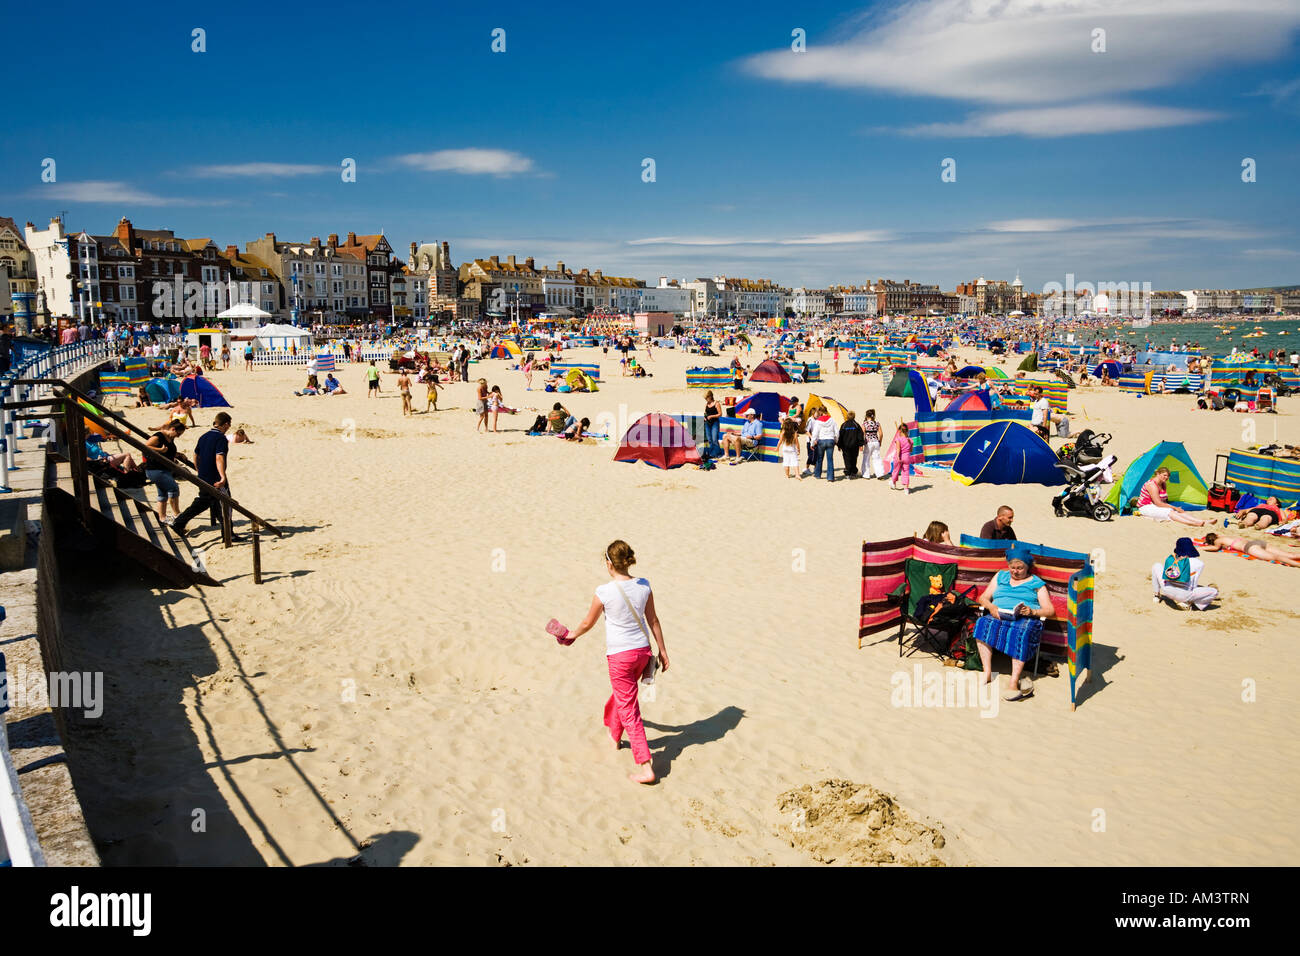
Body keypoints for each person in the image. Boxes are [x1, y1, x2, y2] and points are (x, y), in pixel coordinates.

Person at [561, 540, 668, 784]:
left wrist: (572, 635)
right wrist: (663, 651)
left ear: (609, 564)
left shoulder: (604, 592)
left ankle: (645, 765)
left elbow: (588, 622)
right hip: (642, 652)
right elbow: (653, 620)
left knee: (629, 707)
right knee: (624, 696)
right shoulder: (644, 585)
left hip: (620, 656)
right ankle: (614, 736)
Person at [974, 547, 1054, 702]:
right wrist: (991, 607)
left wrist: (1033, 612)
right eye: (1012, 568)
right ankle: (987, 671)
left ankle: (1013, 681)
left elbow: (1049, 610)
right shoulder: (1001, 576)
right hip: (999, 615)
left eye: (1020, 568)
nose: (1015, 571)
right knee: (982, 623)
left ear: (1027, 567)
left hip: (1024, 618)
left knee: (1021, 632)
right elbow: (983, 598)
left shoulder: (1036, 583)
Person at [173, 413, 235, 539]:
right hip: (215, 477)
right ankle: (228, 534)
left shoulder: (204, 436)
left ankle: (227, 532)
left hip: (204, 475)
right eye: (229, 424)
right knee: (225, 503)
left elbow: (196, 455)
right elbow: (219, 457)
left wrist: (198, 469)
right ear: (226, 424)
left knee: (208, 501)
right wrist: (222, 477)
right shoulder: (221, 438)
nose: (229, 427)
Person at [1152, 538, 1219, 610]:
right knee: (1214, 591)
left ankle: (1156, 596)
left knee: (1157, 566)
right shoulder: (1199, 563)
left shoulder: (1173, 559)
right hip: (1184, 595)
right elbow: (1193, 584)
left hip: (1166, 590)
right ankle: (1190, 603)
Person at [144, 421, 186, 524]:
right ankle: (177, 515)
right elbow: (145, 446)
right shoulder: (158, 436)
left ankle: (162, 518)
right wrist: (159, 450)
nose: (179, 436)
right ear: (172, 429)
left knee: (162, 494)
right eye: (178, 433)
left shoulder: (170, 438)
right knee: (173, 488)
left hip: (164, 469)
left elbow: (168, 451)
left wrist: (177, 454)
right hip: (155, 469)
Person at [1136, 466, 1208, 526]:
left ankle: (1202, 521)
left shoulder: (1163, 483)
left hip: (1155, 506)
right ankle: (1192, 523)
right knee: (1170, 511)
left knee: (1177, 511)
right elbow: (1158, 503)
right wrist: (1175, 507)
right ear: (1158, 474)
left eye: (1168, 476)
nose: (1166, 477)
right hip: (1146, 507)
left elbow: (1162, 501)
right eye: (1164, 475)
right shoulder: (1152, 485)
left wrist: (1175, 508)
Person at [1202, 532, 1300, 567]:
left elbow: (1215, 548)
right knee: (1289, 554)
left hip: (1250, 548)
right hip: (1257, 542)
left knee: (1277, 557)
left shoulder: (1218, 541)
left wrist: (1203, 547)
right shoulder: (1226, 536)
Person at [806, 406, 837, 481]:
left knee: (819, 459)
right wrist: (836, 440)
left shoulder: (818, 421)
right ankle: (830, 477)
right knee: (830, 459)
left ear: (821, 412)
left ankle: (817, 475)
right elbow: (837, 432)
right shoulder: (832, 420)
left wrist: (812, 443)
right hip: (830, 440)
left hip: (821, 440)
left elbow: (815, 433)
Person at [887, 422, 914, 494]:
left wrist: (898, 457)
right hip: (907, 457)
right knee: (905, 473)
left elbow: (898, 449)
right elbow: (911, 450)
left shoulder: (898, 439)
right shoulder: (910, 440)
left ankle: (893, 482)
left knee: (895, 470)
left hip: (899, 457)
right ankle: (906, 489)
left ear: (900, 431)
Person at [837, 410, 864, 479]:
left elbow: (840, 436)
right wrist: (861, 444)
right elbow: (860, 435)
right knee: (854, 458)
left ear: (847, 417)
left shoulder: (844, 425)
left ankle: (848, 472)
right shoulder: (856, 425)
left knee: (847, 458)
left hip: (846, 445)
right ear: (854, 417)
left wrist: (839, 445)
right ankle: (853, 472)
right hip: (854, 445)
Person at [861, 409, 885, 478]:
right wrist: (880, 441)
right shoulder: (877, 423)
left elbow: (863, 433)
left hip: (868, 442)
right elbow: (881, 434)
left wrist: (862, 443)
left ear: (866, 415)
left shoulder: (865, 423)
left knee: (866, 458)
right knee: (877, 458)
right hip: (876, 441)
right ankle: (880, 474)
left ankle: (866, 474)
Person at [703, 390, 723, 458]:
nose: (706, 400)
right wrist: (705, 418)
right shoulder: (707, 404)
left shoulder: (716, 403)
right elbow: (705, 413)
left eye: (706, 398)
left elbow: (720, 414)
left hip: (715, 422)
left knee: (714, 439)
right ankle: (712, 454)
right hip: (707, 423)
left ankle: (718, 453)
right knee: (710, 440)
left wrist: (712, 416)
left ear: (710, 396)